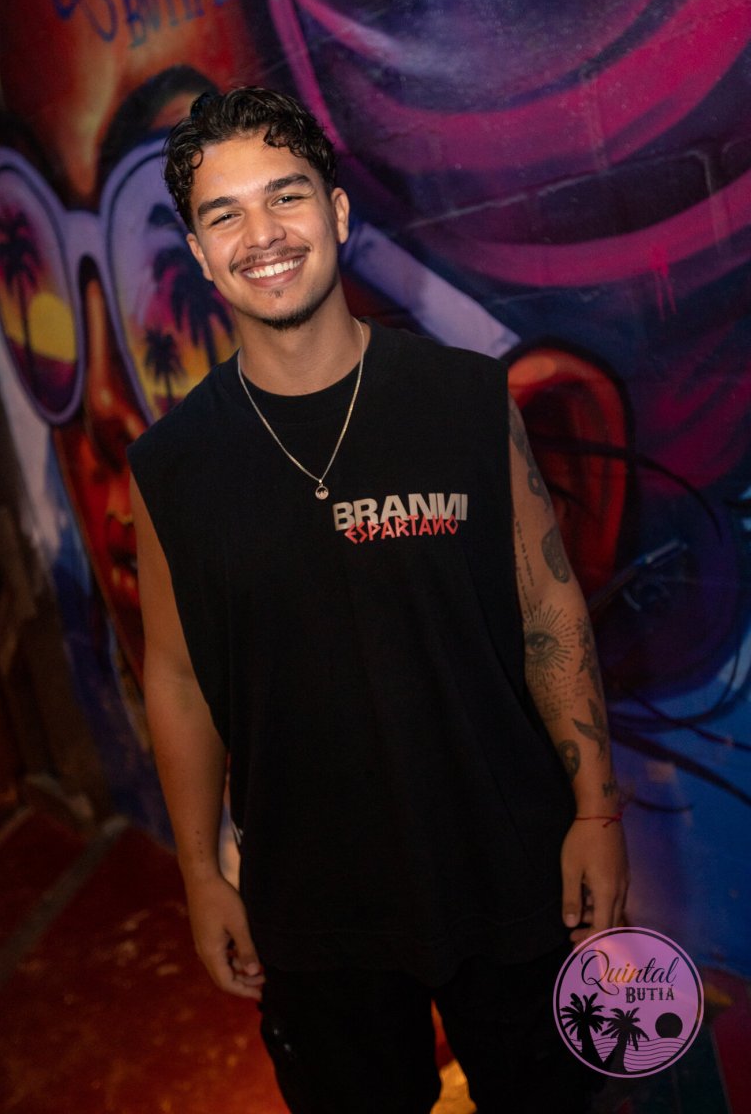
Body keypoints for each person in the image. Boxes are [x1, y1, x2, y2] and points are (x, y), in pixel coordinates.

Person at [128, 86, 629, 1114]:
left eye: (286, 196)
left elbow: (548, 608)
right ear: (200, 252)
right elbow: (175, 676)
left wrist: (595, 810)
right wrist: (200, 874)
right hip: (313, 907)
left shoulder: (464, 400)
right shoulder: (171, 467)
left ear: (338, 212)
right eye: (225, 214)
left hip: (508, 868)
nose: (263, 235)